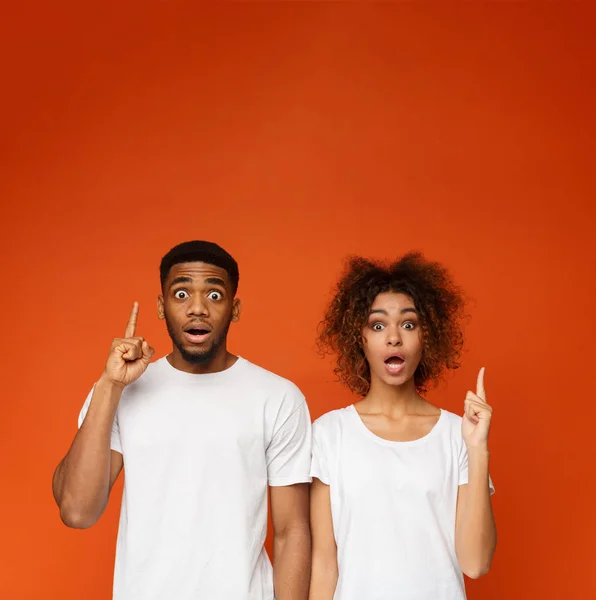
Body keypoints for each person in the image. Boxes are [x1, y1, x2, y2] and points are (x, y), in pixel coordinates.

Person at [52, 240, 312, 600]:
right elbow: (77, 510)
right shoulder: (120, 391)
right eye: (181, 293)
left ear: (234, 309)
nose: (198, 309)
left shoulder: (278, 397)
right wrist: (109, 386)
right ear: (162, 307)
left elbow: (292, 531)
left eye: (215, 296)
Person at [308, 253, 496, 600]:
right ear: (358, 338)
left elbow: (475, 563)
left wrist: (477, 448)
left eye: (408, 324)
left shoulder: (458, 435)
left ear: (427, 337)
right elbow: (324, 563)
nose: (394, 338)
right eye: (378, 325)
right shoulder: (329, 434)